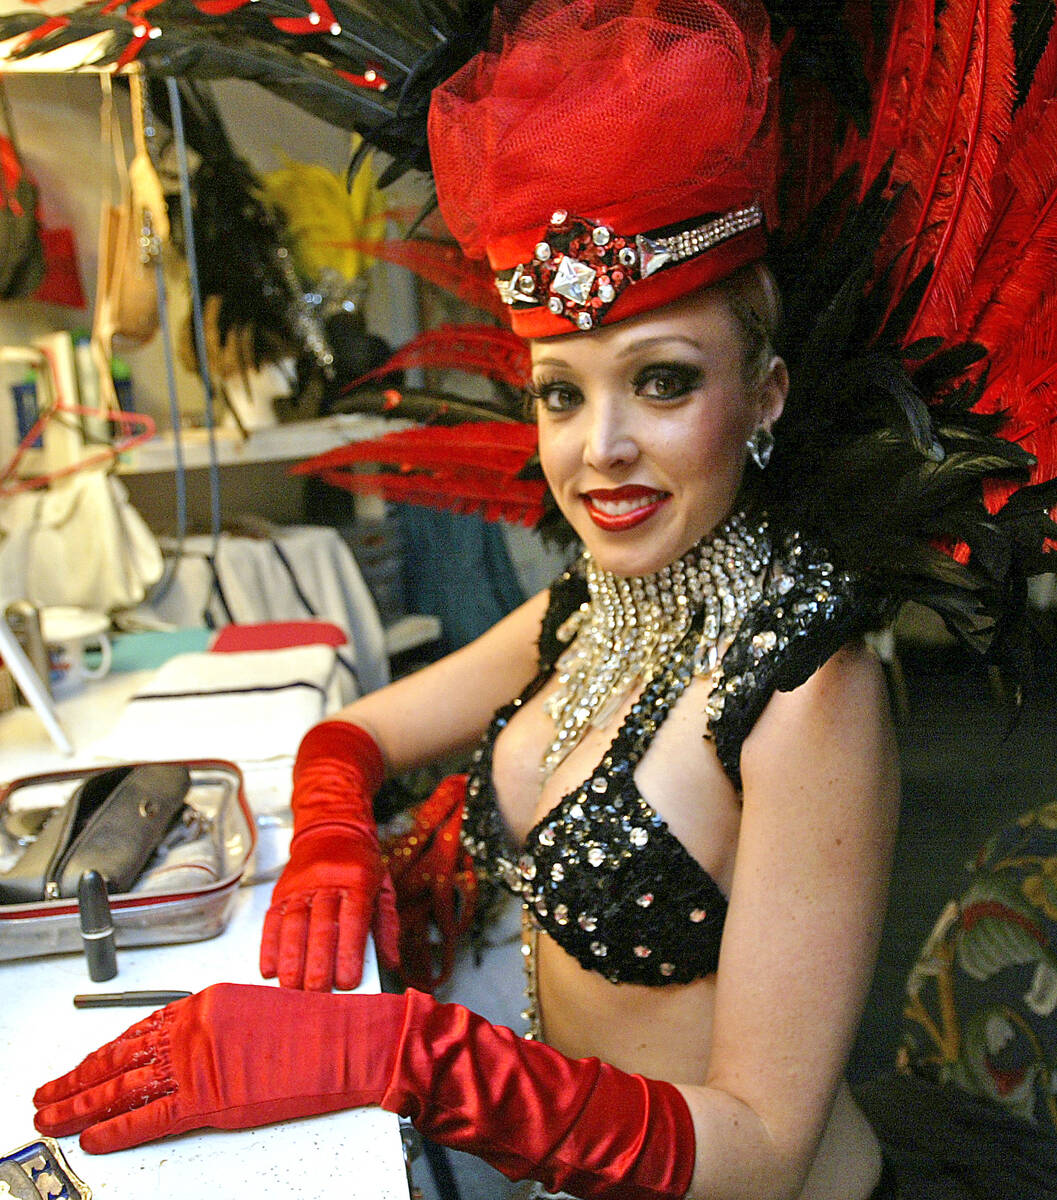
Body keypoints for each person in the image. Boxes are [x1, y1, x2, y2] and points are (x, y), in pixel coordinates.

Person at [30, 2, 1057, 1198]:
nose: (601, 449)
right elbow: (353, 730)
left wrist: (406, 1054)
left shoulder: (807, 687)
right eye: (560, 395)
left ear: (764, 396)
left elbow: (764, 1152)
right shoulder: (590, 606)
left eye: (662, 383)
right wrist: (327, 834)